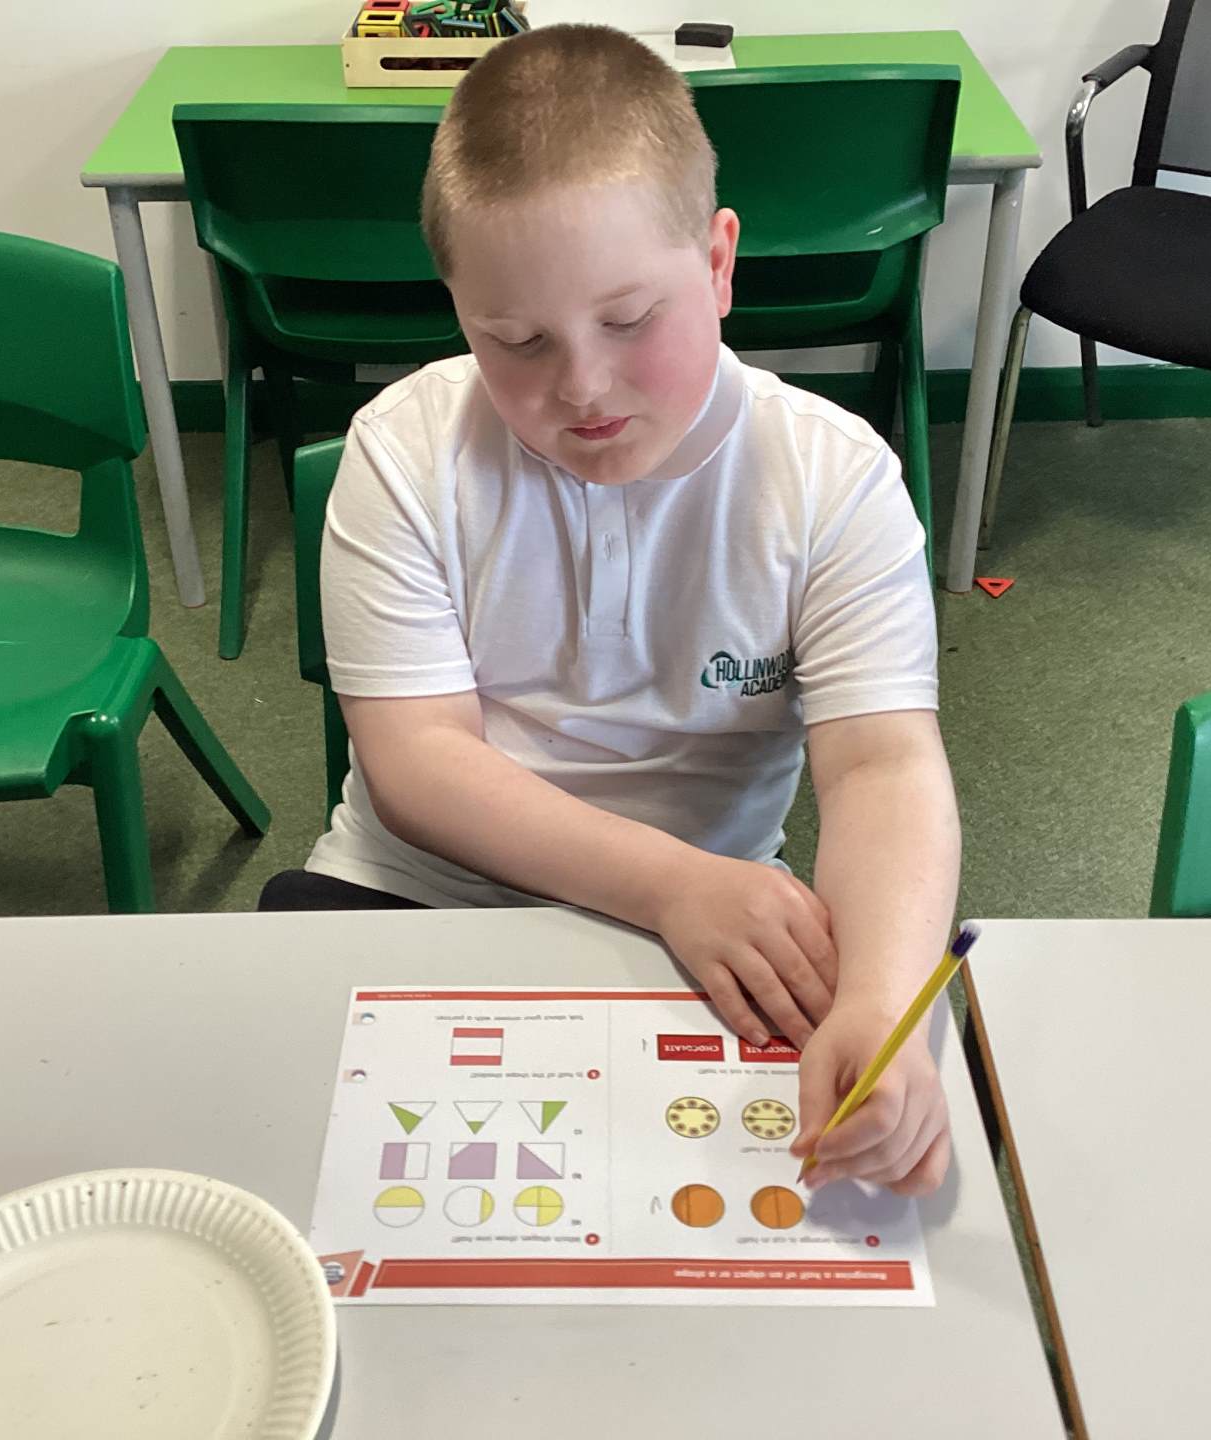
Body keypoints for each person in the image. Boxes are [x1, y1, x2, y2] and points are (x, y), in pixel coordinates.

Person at [260, 24, 961, 1197]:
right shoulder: (406, 451)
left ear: (720, 262)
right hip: (416, 892)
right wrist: (670, 884)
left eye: (631, 320)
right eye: (515, 340)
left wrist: (885, 1005)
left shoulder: (832, 478)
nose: (581, 386)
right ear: (459, 311)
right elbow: (417, 764)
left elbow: (883, 764)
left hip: (711, 925)